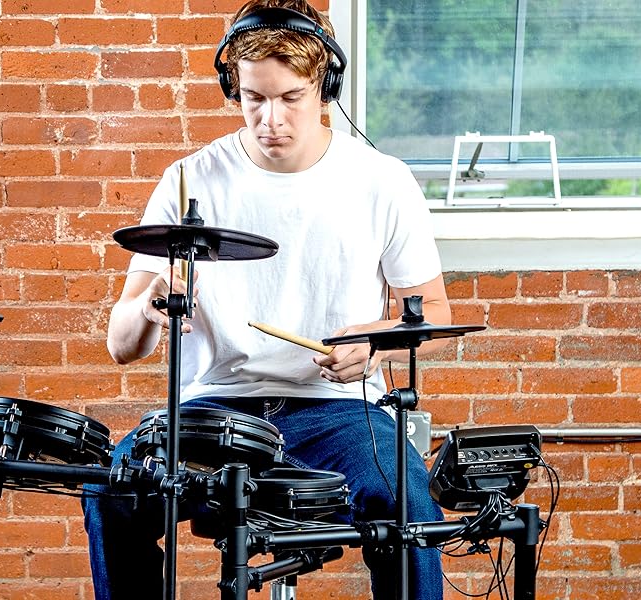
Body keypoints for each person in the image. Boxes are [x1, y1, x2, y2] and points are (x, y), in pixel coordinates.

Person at [81, 0, 452, 598]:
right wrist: (150, 305)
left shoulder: (382, 180)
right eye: (254, 98)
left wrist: (375, 346)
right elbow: (121, 345)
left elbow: (432, 314)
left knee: (409, 505)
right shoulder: (190, 179)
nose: (270, 119)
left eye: (290, 98)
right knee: (111, 492)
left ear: (325, 85)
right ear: (233, 87)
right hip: (212, 409)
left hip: (338, 410)